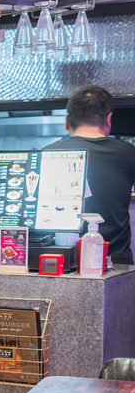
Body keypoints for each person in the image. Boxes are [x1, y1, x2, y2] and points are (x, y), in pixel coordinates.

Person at [43, 86, 135, 265]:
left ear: (67, 121)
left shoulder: (47, 153)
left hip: (60, 261)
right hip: (115, 262)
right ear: (109, 119)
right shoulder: (129, 152)